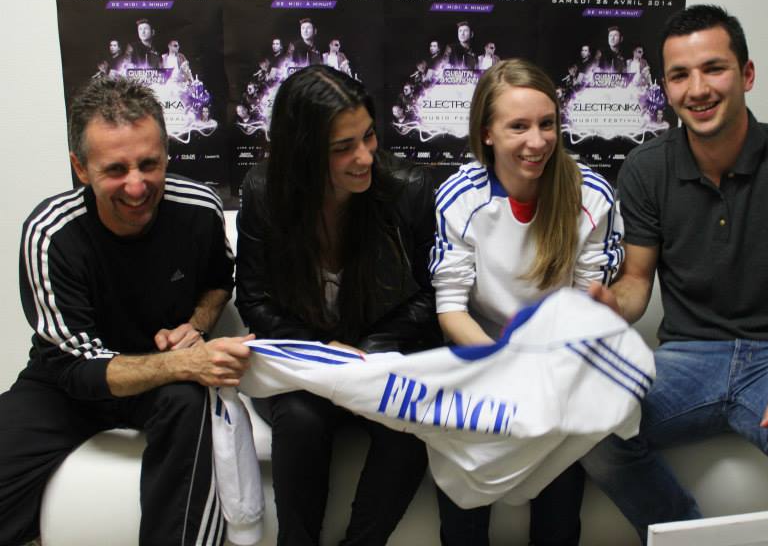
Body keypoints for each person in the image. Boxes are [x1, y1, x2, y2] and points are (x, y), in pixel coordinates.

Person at [581, 4, 768, 541]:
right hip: (688, 356)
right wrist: (612, 305)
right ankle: (689, 537)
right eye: (679, 75)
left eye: (713, 68)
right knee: (589, 429)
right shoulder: (646, 168)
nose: (697, 89)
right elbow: (638, 280)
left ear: (747, 74)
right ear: (665, 89)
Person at [0, 77, 253, 546]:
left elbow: (219, 282)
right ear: (81, 168)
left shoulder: (200, 209)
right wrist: (184, 362)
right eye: (116, 169)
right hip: (66, 386)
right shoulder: (51, 231)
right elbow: (76, 369)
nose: (137, 186)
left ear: (167, 156)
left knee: (191, 401)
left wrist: (195, 325)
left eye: (149, 164)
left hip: (162, 385)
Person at [235, 65, 442, 546]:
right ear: (303, 151)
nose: (365, 156)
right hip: (303, 366)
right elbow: (254, 299)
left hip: (379, 359)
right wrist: (323, 349)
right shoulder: (264, 192)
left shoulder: (406, 188)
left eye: (368, 136)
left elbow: (435, 293)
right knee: (300, 419)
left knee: (411, 425)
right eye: (343, 147)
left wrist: (372, 347)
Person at [430, 59, 624, 546]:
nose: (537, 142)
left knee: (561, 443)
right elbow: (451, 309)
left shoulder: (591, 194)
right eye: (518, 126)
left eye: (546, 124)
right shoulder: (460, 197)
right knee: (464, 460)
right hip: (480, 352)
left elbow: (584, 308)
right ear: (487, 133)